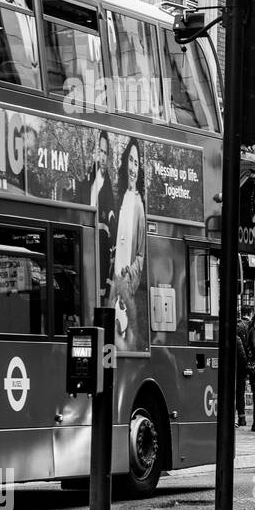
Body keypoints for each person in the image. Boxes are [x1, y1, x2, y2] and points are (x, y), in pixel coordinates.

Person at [108, 138, 147, 351]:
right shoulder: (118, 197)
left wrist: (128, 274)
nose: (133, 167)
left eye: (137, 163)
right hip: (113, 283)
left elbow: (141, 254)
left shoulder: (139, 206)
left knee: (125, 336)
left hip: (125, 285)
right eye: (130, 161)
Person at [86, 129, 116, 303]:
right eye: (101, 152)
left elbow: (112, 228)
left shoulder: (108, 192)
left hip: (99, 256)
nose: (103, 157)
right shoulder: (88, 179)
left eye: (106, 153)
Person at [235, 306, 253, 426]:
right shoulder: (250, 326)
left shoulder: (238, 327)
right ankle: (242, 418)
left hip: (237, 363)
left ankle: (240, 418)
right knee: (240, 391)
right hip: (244, 363)